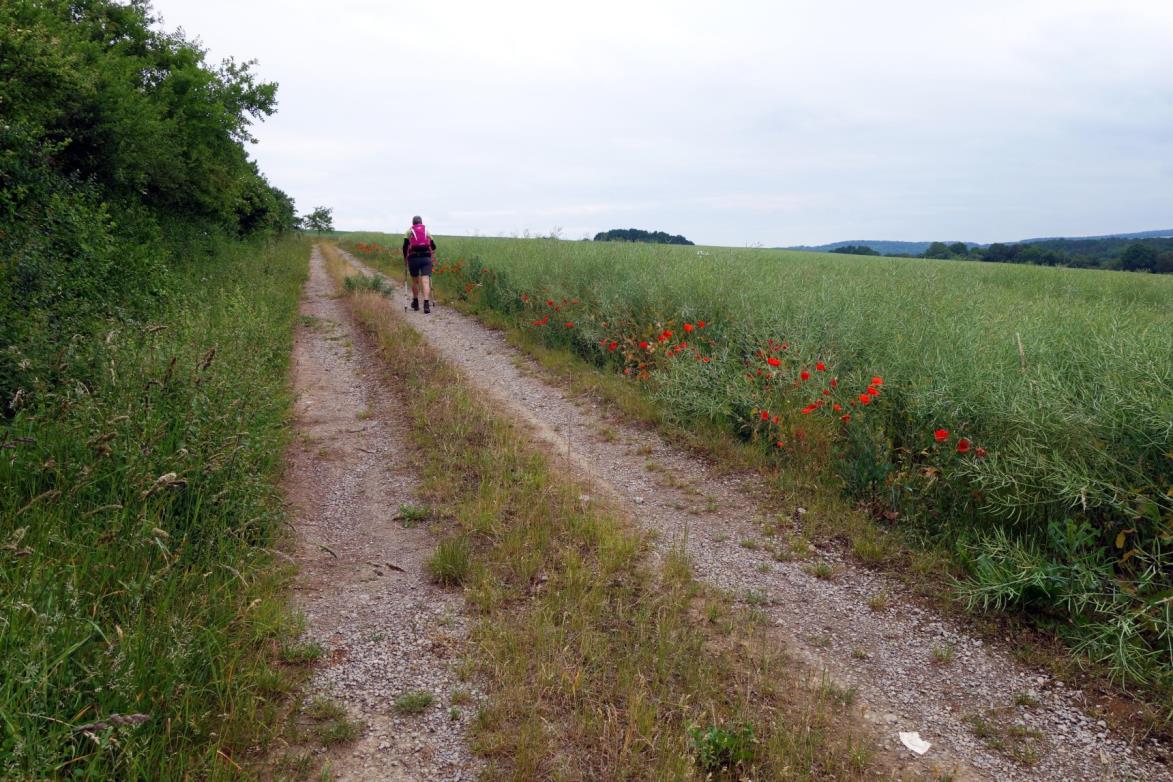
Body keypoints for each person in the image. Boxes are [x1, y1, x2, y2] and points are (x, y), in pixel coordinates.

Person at [401, 215, 437, 313]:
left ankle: (416, 303)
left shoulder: (408, 231)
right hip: (426, 259)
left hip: (413, 259)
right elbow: (433, 246)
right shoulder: (426, 231)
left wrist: (405, 259)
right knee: (425, 281)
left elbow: (405, 247)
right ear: (421, 222)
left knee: (415, 282)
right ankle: (426, 305)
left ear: (413, 223)